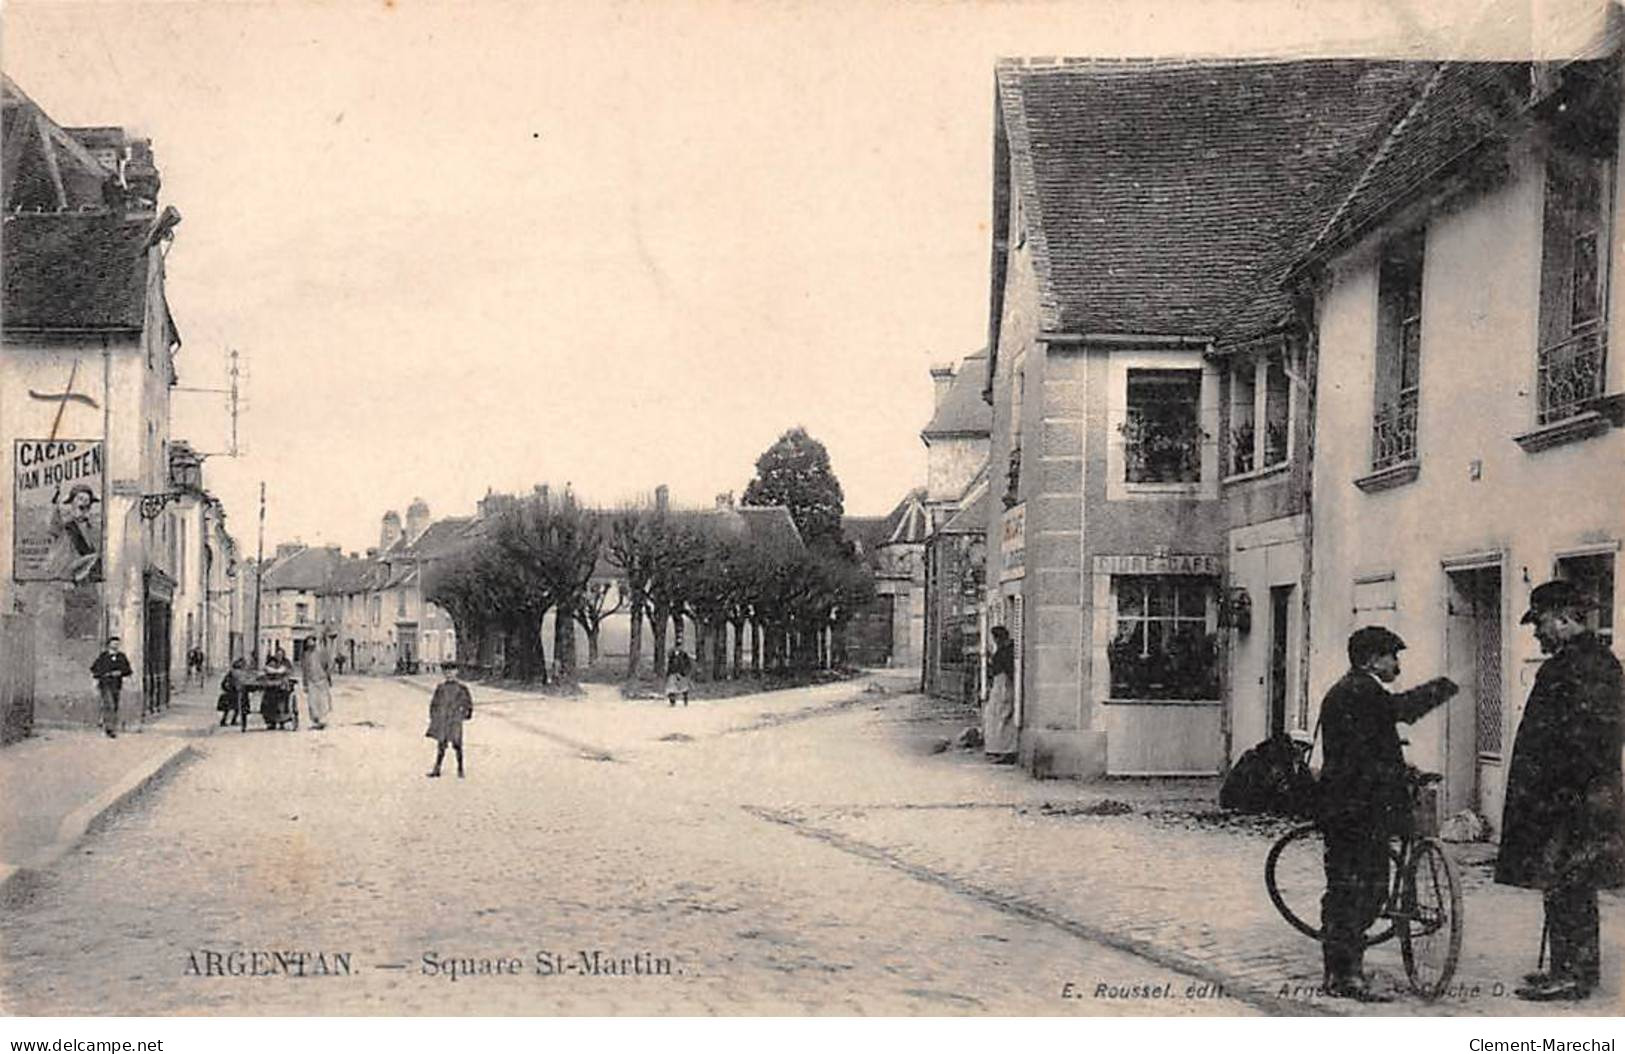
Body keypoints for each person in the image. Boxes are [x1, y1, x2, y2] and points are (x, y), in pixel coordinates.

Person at [1497, 580, 1624, 1002]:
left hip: (1572, 799)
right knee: (1566, 884)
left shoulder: (1582, 667)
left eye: (1541, 623)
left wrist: (1560, 793)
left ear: (1565, 617)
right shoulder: (1591, 662)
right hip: (1571, 796)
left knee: (1570, 884)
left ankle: (1573, 975)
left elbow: (1589, 740)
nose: (1537, 633)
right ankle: (1567, 968)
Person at [1316, 625, 1457, 1002]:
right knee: (1357, 891)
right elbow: (1402, 712)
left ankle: (1342, 969)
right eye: (1392, 656)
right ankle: (1344, 975)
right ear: (1371, 660)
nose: (1397, 664)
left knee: (1354, 889)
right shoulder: (1361, 692)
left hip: (1352, 807)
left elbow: (1374, 747)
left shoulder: (1353, 691)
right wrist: (1445, 686)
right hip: (1354, 811)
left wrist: (1403, 771)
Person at [425, 662, 474, 778]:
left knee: (457, 744)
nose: (449, 674)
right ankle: (437, 769)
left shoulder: (462, 688)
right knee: (441, 744)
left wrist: (466, 714)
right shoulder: (440, 688)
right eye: (446, 672)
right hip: (443, 720)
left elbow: (468, 702)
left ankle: (460, 769)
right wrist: (433, 716)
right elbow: (434, 703)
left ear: (456, 672)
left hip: (455, 719)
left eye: (452, 672)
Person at [46, 483, 102, 583]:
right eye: (80, 498)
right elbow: (54, 527)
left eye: (87, 500)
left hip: (89, 580)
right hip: (68, 578)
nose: (85, 501)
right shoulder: (67, 527)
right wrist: (55, 504)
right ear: (72, 503)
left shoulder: (94, 528)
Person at [983, 626, 1017, 764]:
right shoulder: (1004, 650)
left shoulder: (1006, 651)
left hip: (1004, 684)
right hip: (1000, 684)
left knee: (1003, 716)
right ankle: (998, 748)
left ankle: (1006, 750)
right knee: (996, 716)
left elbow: (1008, 669)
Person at [89, 635, 133, 738]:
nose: (116, 645)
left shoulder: (122, 657)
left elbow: (128, 670)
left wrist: (120, 672)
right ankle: (110, 729)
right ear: (109, 645)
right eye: (113, 643)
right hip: (105, 684)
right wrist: (100, 676)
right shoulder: (103, 656)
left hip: (116, 684)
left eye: (117, 643)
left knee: (115, 706)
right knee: (110, 705)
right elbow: (94, 668)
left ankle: (109, 725)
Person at [300, 635, 334, 730]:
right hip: (311, 681)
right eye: (309, 644)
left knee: (322, 701)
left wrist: (329, 678)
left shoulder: (321, 653)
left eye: (312, 643)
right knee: (312, 701)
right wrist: (305, 683)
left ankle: (322, 719)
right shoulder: (305, 655)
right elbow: (304, 670)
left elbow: (327, 666)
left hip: (321, 679)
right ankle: (315, 720)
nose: (311, 645)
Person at [261, 645, 294, 728]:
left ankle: (282, 720)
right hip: (271, 687)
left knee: (282, 701)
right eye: (277, 654)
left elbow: (286, 671)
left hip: (282, 687)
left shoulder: (286, 662)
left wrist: (278, 672)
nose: (279, 656)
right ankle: (270, 721)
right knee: (268, 700)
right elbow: (266, 669)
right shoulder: (271, 661)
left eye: (281, 654)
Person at [217, 658, 248, 728]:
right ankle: (225, 720)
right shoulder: (234, 672)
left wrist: (225, 688)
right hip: (233, 691)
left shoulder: (238, 672)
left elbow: (224, 682)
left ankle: (230, 720)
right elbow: (225, 681)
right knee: (230, 708)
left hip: (234, 691)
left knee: (233, 707)